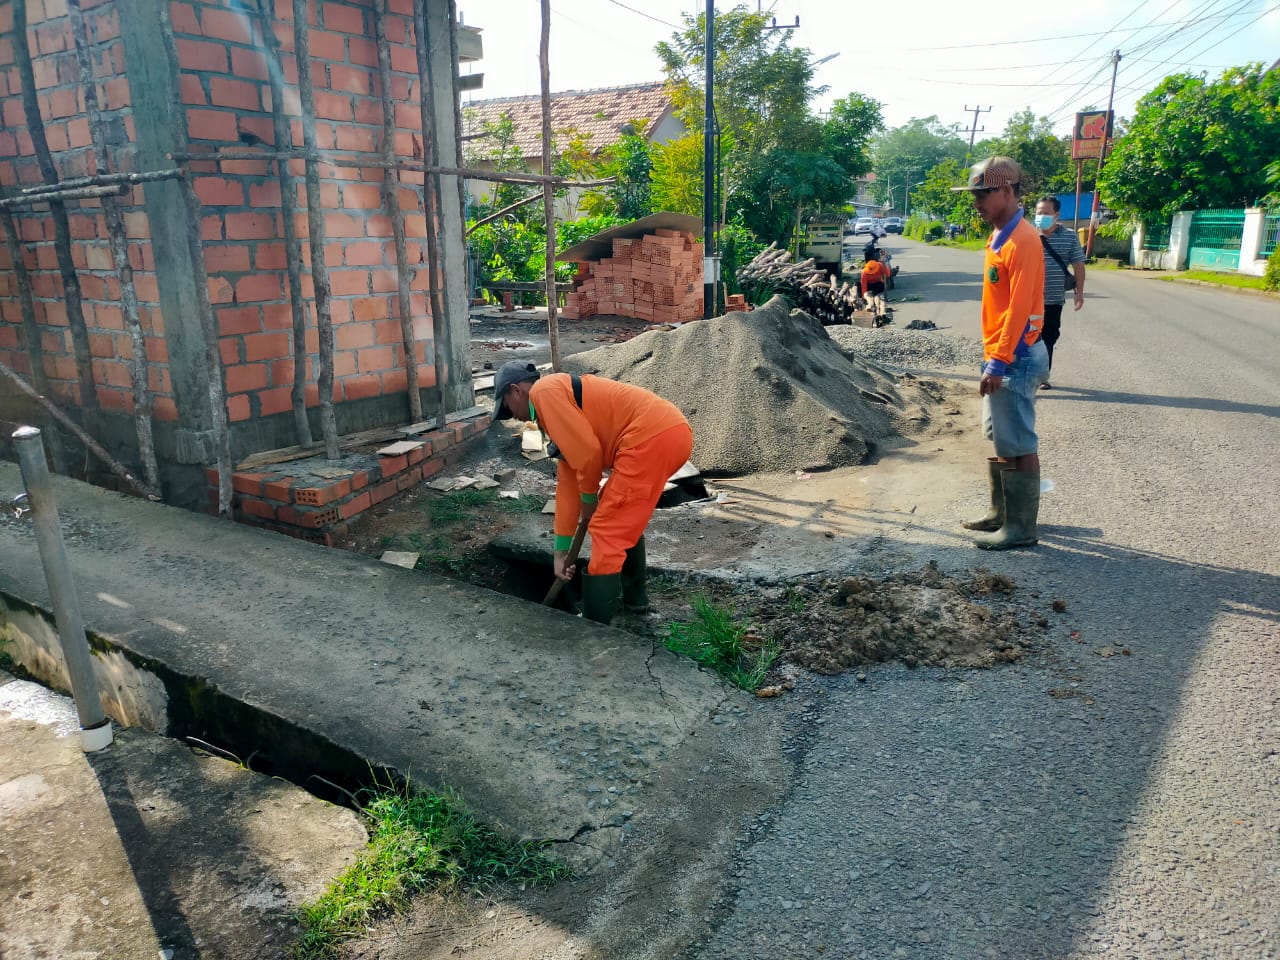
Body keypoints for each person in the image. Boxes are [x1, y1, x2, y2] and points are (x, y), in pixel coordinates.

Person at [493, 361, 693, 624]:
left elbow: (588, 454)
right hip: (661, 436)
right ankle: (635, 605)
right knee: (622, 518)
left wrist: (589, 499)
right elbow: (568, 482)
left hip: (651, 438)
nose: (513, 417)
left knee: (608, 528)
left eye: (507, 407)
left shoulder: (545, 392)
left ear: (516, 390)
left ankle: (595, 627)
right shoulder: (554, 410)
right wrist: (560, 552)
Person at [952, 156, 1048, 550]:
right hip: (1005, 352)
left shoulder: (1023, 240)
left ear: (1007, 190)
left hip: (1017, 355)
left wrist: (999, 360)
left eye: (983, 193)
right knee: (1001, 437)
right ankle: (1003, 513)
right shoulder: (1000, 236)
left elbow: (1019, 308)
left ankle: (1021, 528)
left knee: (1019, 441)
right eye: (974, 194)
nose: (976, 202)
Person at [1033, 196, 1086, 389]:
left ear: (1056, 215)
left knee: (1048, 336)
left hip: (1054, 299)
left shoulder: (1070, 236)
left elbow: (1079, 266)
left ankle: (1042, 376)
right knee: (1028, 336)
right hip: (1027, 299)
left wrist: (1079, 293)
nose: (1042, 217)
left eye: (1046, 213)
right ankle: (1026, 374)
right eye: (1039, 213)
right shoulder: (1027, 235)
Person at [860, 250, 891, 322]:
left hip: (877, 284)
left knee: (879, 290)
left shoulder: (880, 266)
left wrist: (885, 266)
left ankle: (877, 298)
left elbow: (888, 275)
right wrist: (864, 296)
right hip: (869, 284)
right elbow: (863, 285)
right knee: (861, 288)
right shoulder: (864, 272)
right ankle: (870, 301)